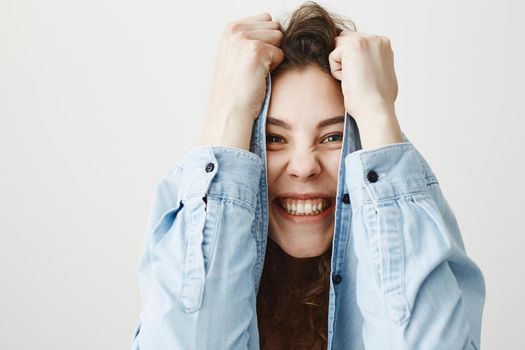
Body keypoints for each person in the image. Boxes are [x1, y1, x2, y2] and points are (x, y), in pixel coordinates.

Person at [131, 2, 486, 349]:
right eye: (274, 138)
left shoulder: (414, 227)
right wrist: (229, 111)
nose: (304, 167)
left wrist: (378, 114)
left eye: (334, 137)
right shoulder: (184, 229)